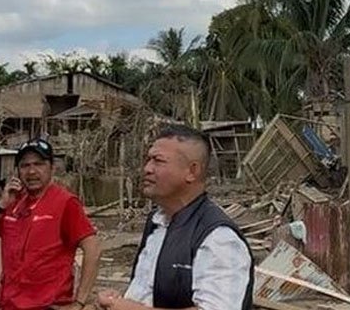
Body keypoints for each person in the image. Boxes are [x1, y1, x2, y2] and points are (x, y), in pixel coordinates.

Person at [97, 125, 253, 310]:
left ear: (191, 171)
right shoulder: (157, 223)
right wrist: (121, 299)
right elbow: (150, 292)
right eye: (148, 160)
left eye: (158, 161)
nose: (147, 168)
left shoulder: (218, 238)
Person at [0, 138, 101, 310]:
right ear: (18, 171)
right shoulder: (13, 203)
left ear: (52, 168)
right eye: (25, 166)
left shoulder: (65, 202)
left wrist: (79, 302)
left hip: (48, 305)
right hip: (8, 304)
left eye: (39, 164)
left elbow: (93, 249)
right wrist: (1, 204)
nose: (31, 171)